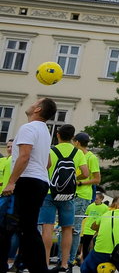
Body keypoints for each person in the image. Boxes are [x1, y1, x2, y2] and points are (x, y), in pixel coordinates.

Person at [1, 99, 57, 273]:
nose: (32, 104)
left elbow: (24, 156)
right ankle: (31, 266)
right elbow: (47, 162)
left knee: (20, 226)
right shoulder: (45, 131)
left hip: (27, 181)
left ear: (38, 109)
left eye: (35, 102)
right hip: (39, 181)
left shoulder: (29, 128)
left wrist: (11, 182)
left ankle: (38, 268)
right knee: (20, 227)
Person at [39, 123, 89, 273]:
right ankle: (65, 264)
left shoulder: (51, 151)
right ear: (73, 137)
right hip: (68, 194)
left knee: (47, 228)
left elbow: (45, 167)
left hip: (50, 193)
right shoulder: (78, 152)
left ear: (58, 135)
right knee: (68, 229)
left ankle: (45, 262)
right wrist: (73, 178)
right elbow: (86, 174)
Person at [67, 133, 101, 268]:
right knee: (66, 227)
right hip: (70, 193)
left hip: (82, 195)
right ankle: (64, 258)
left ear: (76, 142)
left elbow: (97, 179)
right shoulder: (75, 156)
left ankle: (71, 259)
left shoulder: (91, 157)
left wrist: (80, 182)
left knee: (74, 229)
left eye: (73, 141)